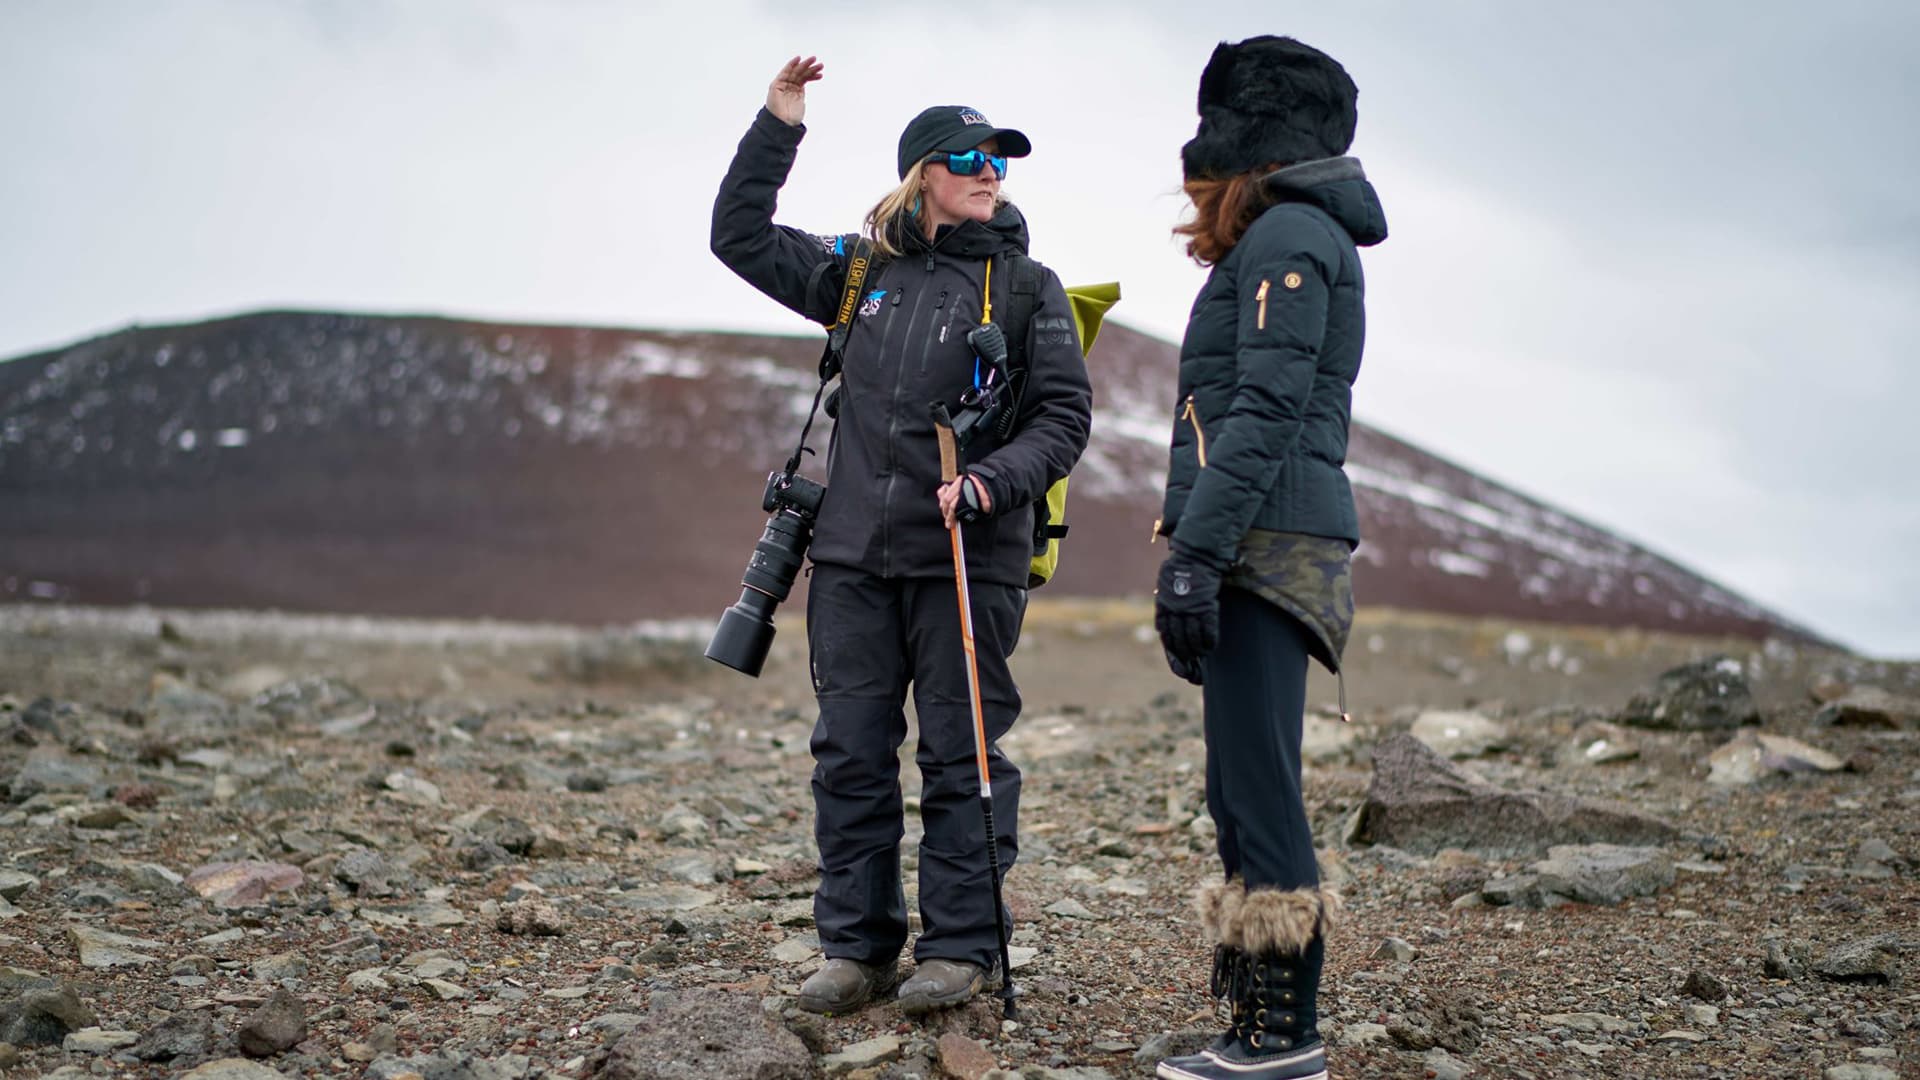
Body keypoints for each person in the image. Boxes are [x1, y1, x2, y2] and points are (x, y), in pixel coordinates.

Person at [710, 56, 1093, 1016]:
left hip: (969, 559)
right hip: (850, 558)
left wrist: (991, 483)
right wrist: (778, 124)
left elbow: (1063, 418)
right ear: (923, 172)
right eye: (970, 157)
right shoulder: (858, 274)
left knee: (963, 756)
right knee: (849, 755)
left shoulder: (1029, 288)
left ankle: (961, 949)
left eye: (999, 159)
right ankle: (859, 949)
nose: (990, 171)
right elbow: (738, 235)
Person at [1148, 35, 1387, 1080]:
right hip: (1261, 536)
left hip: (1268, 541)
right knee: (1240, 785)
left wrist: (1196, 555)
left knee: (1259, 787)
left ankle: (1285, 1036)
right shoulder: (1287, 236)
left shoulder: (1290, 233)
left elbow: (1264, 410)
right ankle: (1259, 1018)